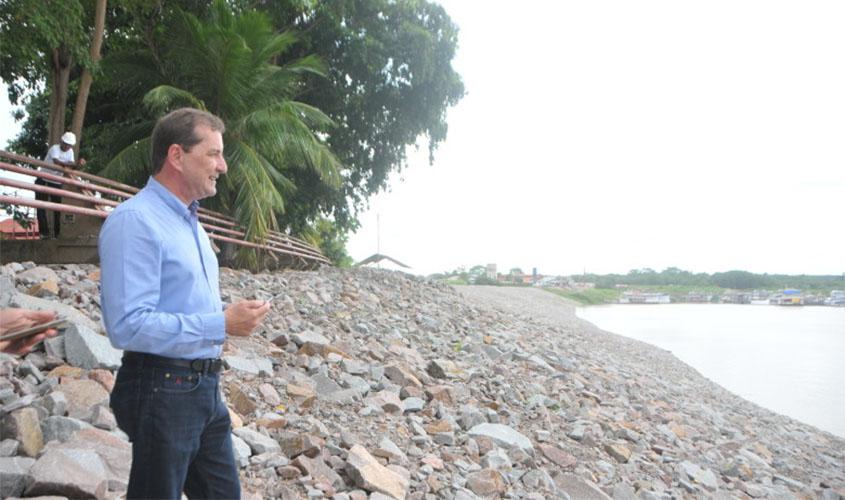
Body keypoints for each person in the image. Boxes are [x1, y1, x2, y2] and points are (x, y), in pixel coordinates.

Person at [98, 108, 270, 499]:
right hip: (162, 387)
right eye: (213, 154)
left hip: (203, 387)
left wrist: (226, 322)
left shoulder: (190, 223)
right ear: (176, 156)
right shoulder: (136, 221)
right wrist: (221, 324)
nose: (222, 166)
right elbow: (126, 325)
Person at [37, 131, 87, 238]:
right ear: (61, 141)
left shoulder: (70, 152)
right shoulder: (54, 148)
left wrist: (78, 165)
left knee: (57, 209)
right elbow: (57, 162)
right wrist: (72, 164)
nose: (67, 146)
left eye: (69, 145)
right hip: (44, 178)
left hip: (56, 181)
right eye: (65, 144)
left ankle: (57, 234)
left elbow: (71, 168)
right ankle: (43, 233)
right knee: (41, 206)